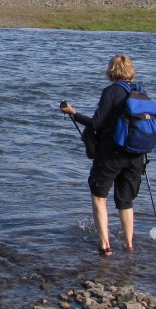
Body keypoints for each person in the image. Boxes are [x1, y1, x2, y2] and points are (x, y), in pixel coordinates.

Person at [59, 54, 145, 256]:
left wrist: (73, 113)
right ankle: (129, 244)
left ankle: (105, 245)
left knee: (99, 196)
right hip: (137, 154)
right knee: (125, 201)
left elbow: (96, 123)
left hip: (112, 153)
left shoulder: (111, 91)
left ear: (111, 71)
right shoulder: (140, 91)